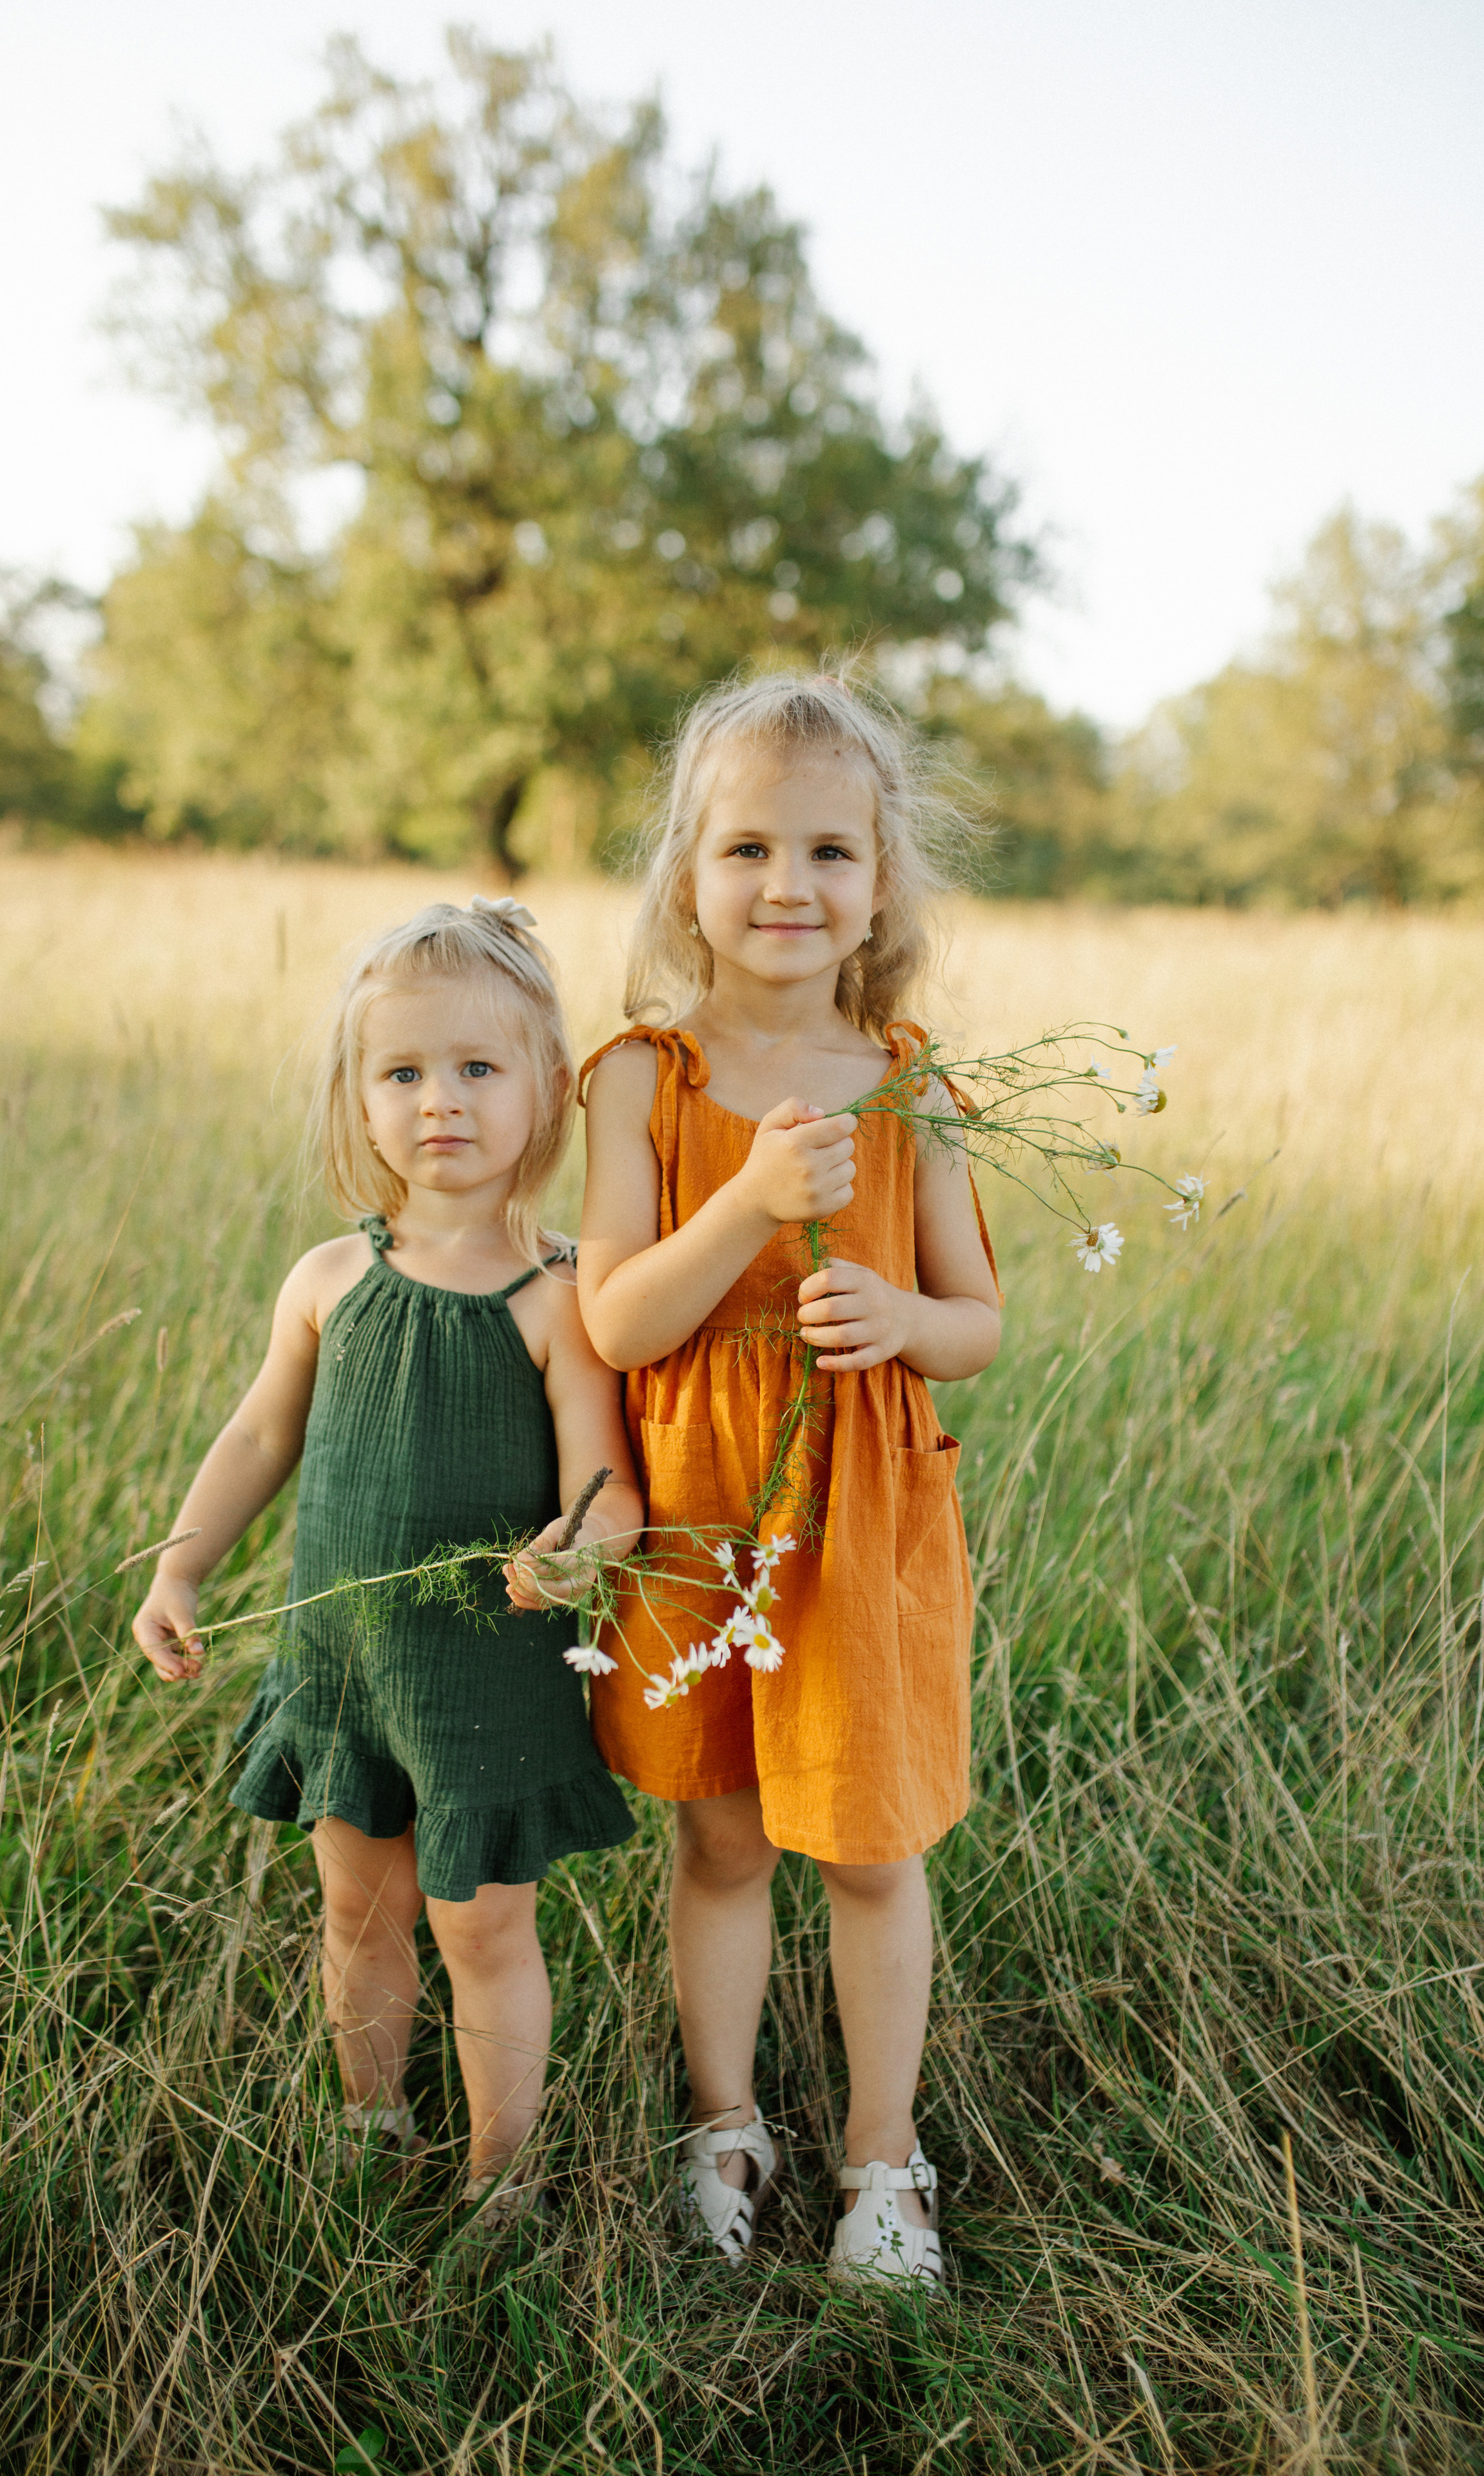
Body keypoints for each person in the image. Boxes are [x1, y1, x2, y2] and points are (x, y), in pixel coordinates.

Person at [576, 672, 1002, 2284]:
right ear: (686, 873)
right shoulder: (643, 1076)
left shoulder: (911, 1082)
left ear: (879, 882)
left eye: (829, 851)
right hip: (701, 1516)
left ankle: (885, 2161)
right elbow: (615, 1316)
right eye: (745, 847)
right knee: (725, 1841)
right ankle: (724, 2121)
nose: (786, 886)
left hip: (863, 1514)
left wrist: (902, 1316)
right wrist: (750, 1200)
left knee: (872, 1846)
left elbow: (975, 1323)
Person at [132, 897, 641, 2219]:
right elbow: (258, 1435)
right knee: (357, 1915)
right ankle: (368, 2122)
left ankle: (501, 2176)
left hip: (486, 1676)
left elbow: (608, 1491)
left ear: (542, 1087)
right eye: (402, 1072)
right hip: (347, 1666)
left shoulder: (560, 1301)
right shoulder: (326, 1280)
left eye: (478, 1068)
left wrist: (576, 1552)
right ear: (358, 1100)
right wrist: (179, 1569)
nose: (441, 1103)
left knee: (481, 1925)